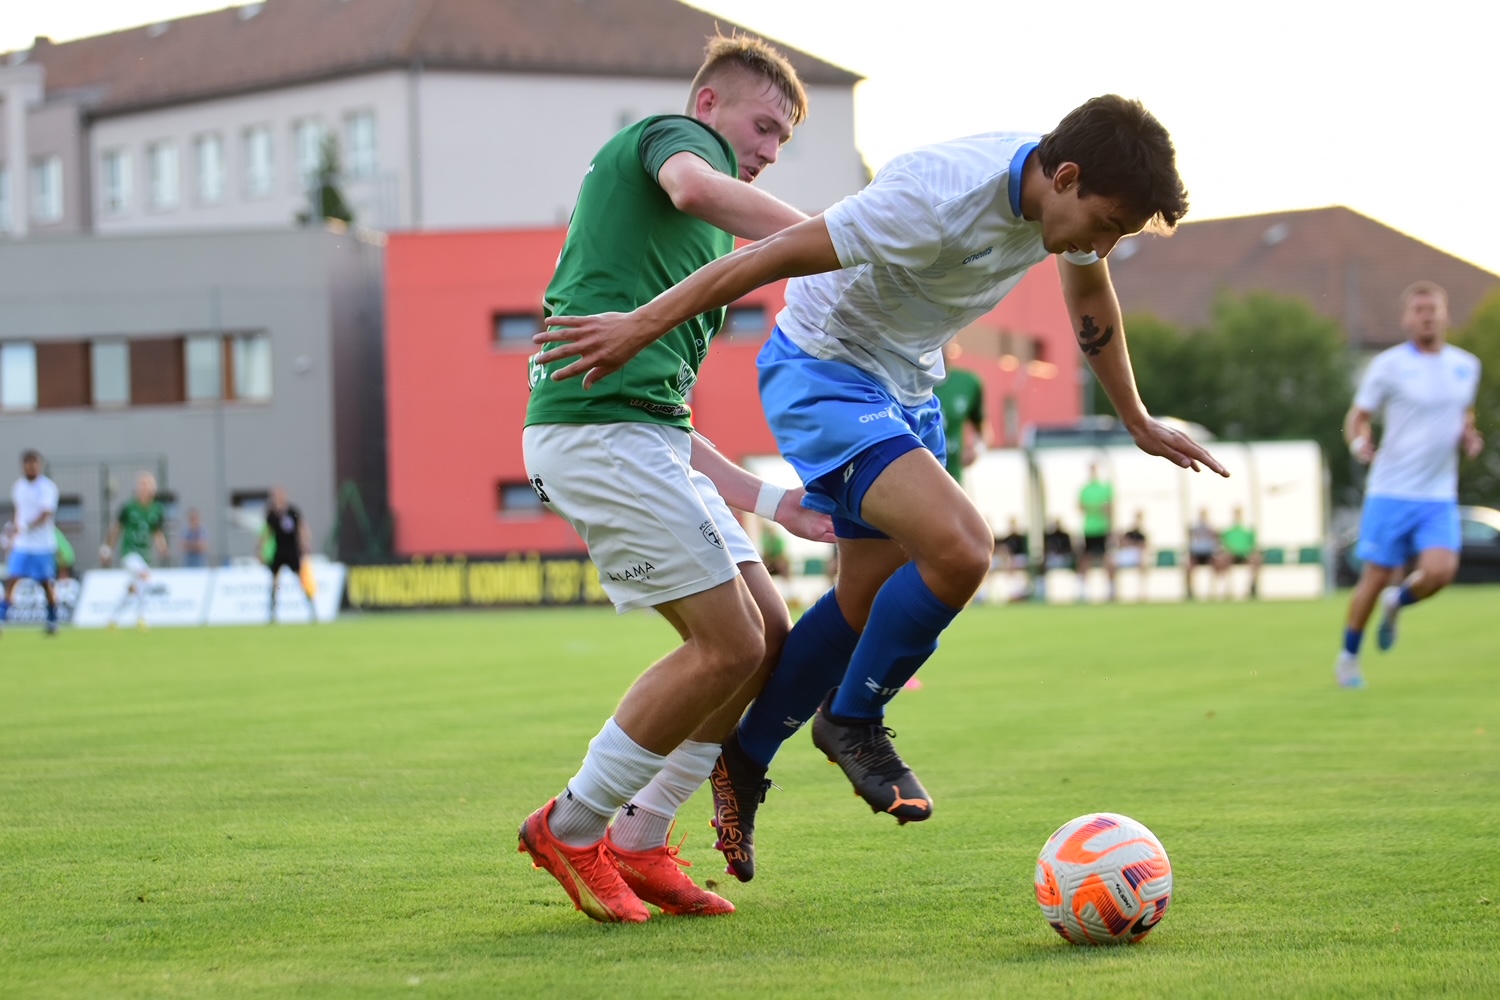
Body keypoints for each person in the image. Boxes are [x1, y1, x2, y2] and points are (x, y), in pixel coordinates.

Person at [535, 95, 1226, 874]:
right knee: (963, 549)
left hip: (907, 386)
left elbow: (1092, 295)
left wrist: (1134, 417)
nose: (1101, 245)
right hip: (824, 368)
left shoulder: (1068, 200)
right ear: (1064, 177)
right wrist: (640, 324)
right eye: (1105, 225)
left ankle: (746, 755)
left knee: (865, 595)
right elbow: (762, 258)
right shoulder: (933, 200)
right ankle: (853, 719)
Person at [516, 36, 834, 923]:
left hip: (635, 437)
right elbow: (696, 185)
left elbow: (671, 425)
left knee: (766, 632)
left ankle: (643, 836)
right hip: (591, 435)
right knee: (727, 643)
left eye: (784, 140)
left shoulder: (705, 240)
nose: (771, 150)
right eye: (764, 126)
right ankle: (571, 827)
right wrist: (828, 233)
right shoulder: (665, 142)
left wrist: (773, 503)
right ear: (707, 106)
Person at [1336, 281, 1482, 689]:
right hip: (1390, 491)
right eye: (1419, 310)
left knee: (1441, 572)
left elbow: (1460, 414)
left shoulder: (1466, 365)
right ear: (1407, 319)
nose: (1427, 316)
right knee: (1375, 576)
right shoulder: (1388, 365)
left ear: (1445, 314)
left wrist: (1468, 435)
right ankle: (1348, 657)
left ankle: (1397, 603)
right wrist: (1358, 440)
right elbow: (1358, 415)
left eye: (1433, 309)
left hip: (1438, 495)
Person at [1, 450, 61, 636]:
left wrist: (26, 526)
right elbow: (18, 511)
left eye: (34, 463)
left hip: (43, 545)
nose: (31, 467)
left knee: (45, 584)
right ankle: (1, 619)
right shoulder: (18, 487)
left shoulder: (47, 487)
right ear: (23, 466)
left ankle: (52, 619)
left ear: (39, 465)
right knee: (12, 579)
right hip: (23, 545)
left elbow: (46, 514)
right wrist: (14, 531)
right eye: (28, 463)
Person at [101, 471, 169, 629]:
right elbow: (116, 529)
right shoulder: (129, 507)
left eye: (148, 485)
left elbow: (157, 531)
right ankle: (141, 617)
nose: (144, 488)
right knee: (145, 577)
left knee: (133, 588)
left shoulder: (157, 509)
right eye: (142, 485)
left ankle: (113, 619)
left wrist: (162, 546)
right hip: (129, 553)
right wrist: (107, 549)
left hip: (145, 555)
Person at [931, 342, 991, 485]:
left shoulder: (968, 383)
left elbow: (984, 431)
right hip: (915, 477)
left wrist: (976, 449)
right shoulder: (905, 385)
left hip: (954, 477)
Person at [263, 486, 316, 623]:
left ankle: (312, 609)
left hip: (292, 551)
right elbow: (266, 533)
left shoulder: (292, 511)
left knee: (301, 581)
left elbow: (302, 527)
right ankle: (272, 614)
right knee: (275, 583)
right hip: (279, 552)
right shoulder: (271, 515)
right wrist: (260, 549)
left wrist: (305, 543)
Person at [1077, 463, 1115, 600]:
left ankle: (1111, 588)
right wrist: (1096, 508)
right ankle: (1082, 589)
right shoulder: (1085, 489)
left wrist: (1111, 528)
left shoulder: (1105, 488)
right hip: (1089, 529)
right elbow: (1080, 507)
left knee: (1106, 558)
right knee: (1085, 559)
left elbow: (1109, 508)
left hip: (1102, 528)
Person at [1219, 506, 1260, 599]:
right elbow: (1225, 544)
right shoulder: (1228, 531)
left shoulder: (1248, 531)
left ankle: (1252, 585)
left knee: (1255, 559)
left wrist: (1246, 550)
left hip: (1245, 555)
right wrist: (1232, 550)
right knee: (1224, 559)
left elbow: (1252, 544)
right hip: (1232, 555)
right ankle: (1229, 587)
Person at [1185, 507, 1220, 601]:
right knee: (1189, 567)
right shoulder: (1195, 527)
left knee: (1216, 565)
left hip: (1208, 553)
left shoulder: (1212, 527)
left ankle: (1212, 591)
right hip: (1197, 553)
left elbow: (1216, 540)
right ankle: (1192, 591)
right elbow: (1191, 540)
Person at [1115, 510, 1149, 599]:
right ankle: (1112, 591)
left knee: (1142, 562)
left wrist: (1131, 544)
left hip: (1136, 556)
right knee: (1110, 563)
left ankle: (1142, 592)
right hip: (1126, 556)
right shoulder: (1128, 533)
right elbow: (1122, 545)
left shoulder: (1142, 534)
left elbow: (1144, 547)